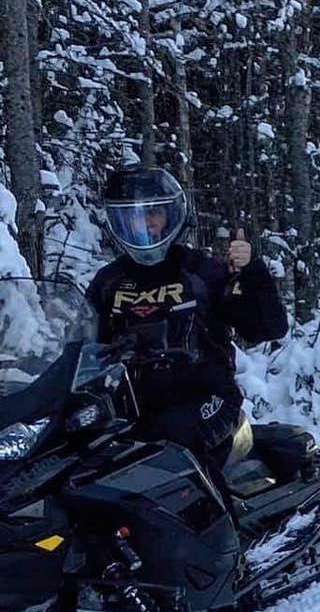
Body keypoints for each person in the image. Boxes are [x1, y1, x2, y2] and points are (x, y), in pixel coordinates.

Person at [87, 166, 287, 486]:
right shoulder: (109, 282)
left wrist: (251, 273)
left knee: (169, 447)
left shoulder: (201, 272)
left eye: (155, 213)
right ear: (119, 223)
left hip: (206, 398)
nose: (147, 223)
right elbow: (82, 344)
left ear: (172, 215)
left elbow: (267, 328)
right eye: (135, 217)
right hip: (130, 406)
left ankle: (218, 532)